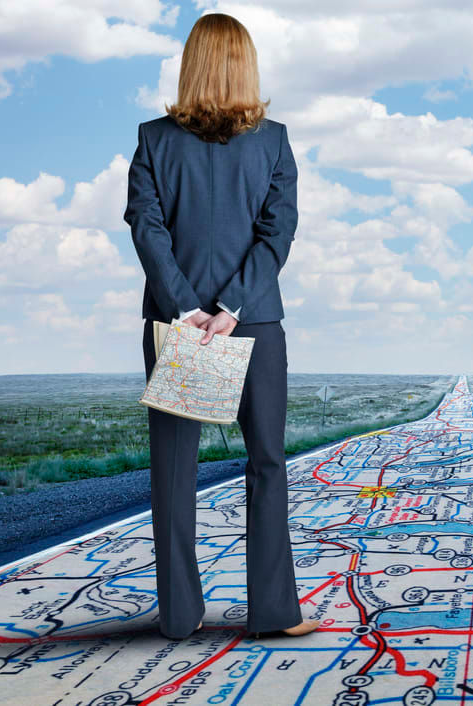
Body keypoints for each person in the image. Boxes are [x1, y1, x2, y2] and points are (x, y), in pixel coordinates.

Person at [124, 11, 319, 642]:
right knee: (266, 464)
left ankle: (179, 616)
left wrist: (186, 309)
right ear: (246, 65)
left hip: (174, 324)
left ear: (190, 65)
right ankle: (275, 613)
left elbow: (147, 229)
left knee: (173, 471)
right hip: (255, 321)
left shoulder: (152, 139)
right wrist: (231, 307)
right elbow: (277, 234)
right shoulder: (275, 141)